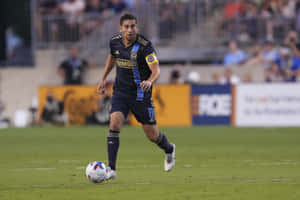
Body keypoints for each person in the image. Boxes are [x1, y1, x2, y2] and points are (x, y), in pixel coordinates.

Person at [97, 13, 175, 180]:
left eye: (133, 26)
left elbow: (156, 70)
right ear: (121, 28)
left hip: (141, 95)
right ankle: (111, 169)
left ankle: (169, 149)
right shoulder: (114, 42)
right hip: (120, 92)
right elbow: (112, 58)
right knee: (114, 123)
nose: (130, 30)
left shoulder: (145, 46)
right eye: (126, 27)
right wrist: (103, 79)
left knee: (152, 136)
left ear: (137, 28)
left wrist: (149, 81)